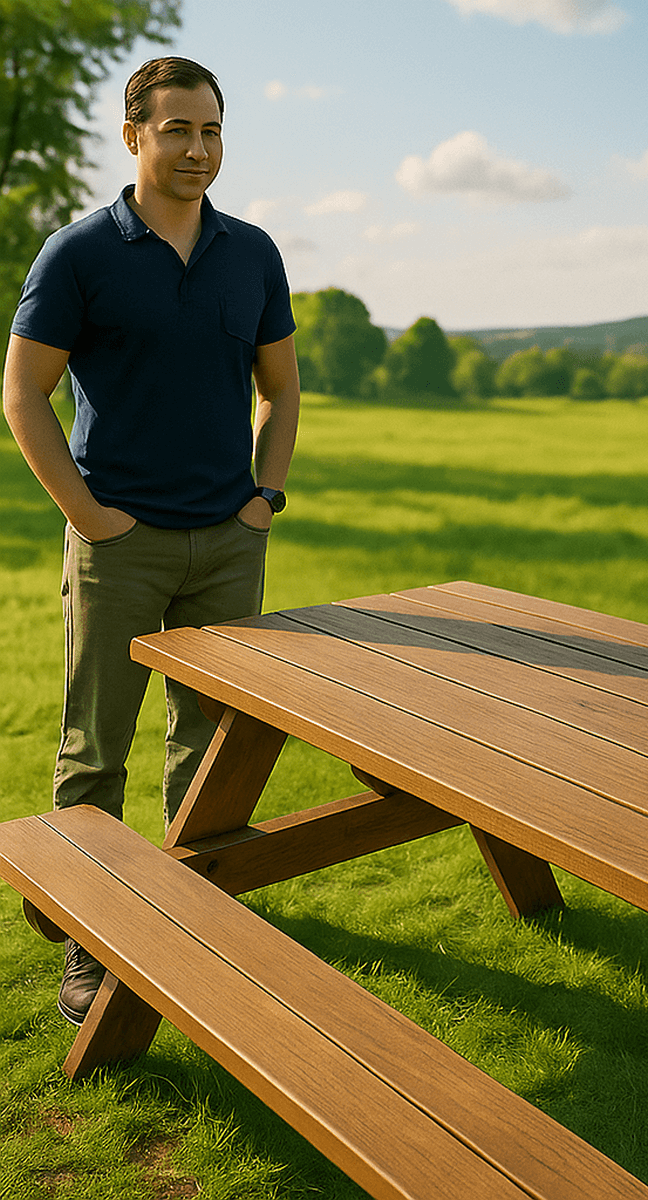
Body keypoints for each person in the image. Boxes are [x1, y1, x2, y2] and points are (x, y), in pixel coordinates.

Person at [2, 57, 300, 1027]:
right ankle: (92, 945)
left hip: (228, 543)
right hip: (120, 543)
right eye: (177, 130)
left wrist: (264, 497)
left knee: (212, 747)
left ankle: (198, 927)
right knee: (96, 751)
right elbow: (23, 395)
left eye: (211, 131)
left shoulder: (252, 253)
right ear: (134, 136)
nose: (197, 150)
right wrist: (90, 518)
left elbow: (282, 388)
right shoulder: (80, 254)